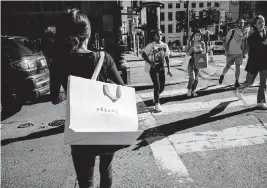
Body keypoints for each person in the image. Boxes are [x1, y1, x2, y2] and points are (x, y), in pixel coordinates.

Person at [50, 9, 125, 188]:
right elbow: (122, 89)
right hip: (106, 126)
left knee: (85, 181)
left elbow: (55, 98)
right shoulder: (103, 58)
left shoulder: (58, 61)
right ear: (88, 34)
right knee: (106, 170)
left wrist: (70, 91)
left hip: (79, 129)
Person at [236, 15, 267, 110]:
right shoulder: (251, 35)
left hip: (264, 61)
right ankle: (239, 89)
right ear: (255, 24)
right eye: (259, 22)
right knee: (249, 82)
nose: (262, 24)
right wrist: (264, 44)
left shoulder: (266, 33)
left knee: (263, 83)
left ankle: (260, 102)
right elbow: (253, 48)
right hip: (254, 61)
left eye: (263, 22)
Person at [142, 28, 172, 112]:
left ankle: (155, 96)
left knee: (162, 87)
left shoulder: (164, 45)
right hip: (153, 68)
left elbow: (167, 58)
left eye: (161, 34)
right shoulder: (151, 45)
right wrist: (150, 62)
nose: (160, 36)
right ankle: (157, 104)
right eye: (158, 35)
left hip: (162, 67)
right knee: (157, 86)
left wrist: (169, 69)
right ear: (154, 36)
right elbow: (143, 55)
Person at [219, 18, 246, 88]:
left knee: (238, 67)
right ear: (237, 24)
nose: (241, 24)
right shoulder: (231, 31)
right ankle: (222, 75)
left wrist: (243, 53)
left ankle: (236, 81)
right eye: (240, 22)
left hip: (239, 53)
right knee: (228, 67)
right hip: (230, 53)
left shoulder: (243, 33)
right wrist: (226, 51)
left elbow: (242, 43)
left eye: (242, 23)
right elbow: (225, 42)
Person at [185, 29, 206, 97]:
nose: (198, 36)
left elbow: (205, 53)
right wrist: (191, 49)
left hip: (198, 61)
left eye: (199, 35)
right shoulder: (191, 42)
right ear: (194, 35)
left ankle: (193, 90)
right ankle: (189, 90)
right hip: (190, 61)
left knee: (196, 77)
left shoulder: (202, 43)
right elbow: (187, 53)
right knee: (192, 77)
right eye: (196, 35)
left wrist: (201, 50)